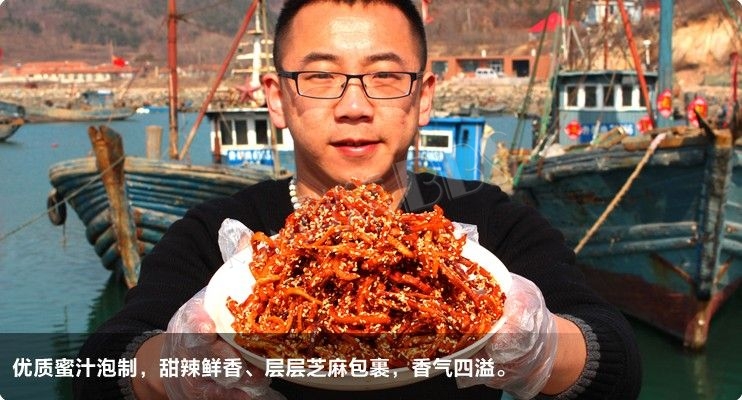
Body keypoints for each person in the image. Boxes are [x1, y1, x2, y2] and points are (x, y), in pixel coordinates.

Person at [73, 1, 642, 399]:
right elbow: (98, 366)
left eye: (385, 77)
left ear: (423, 97)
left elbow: (616, 361)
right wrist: (171, 366)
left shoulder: (489, 223)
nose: (354, 107)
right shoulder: (217, 237)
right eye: (320, 77)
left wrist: (540, 347)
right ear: (277, 98)